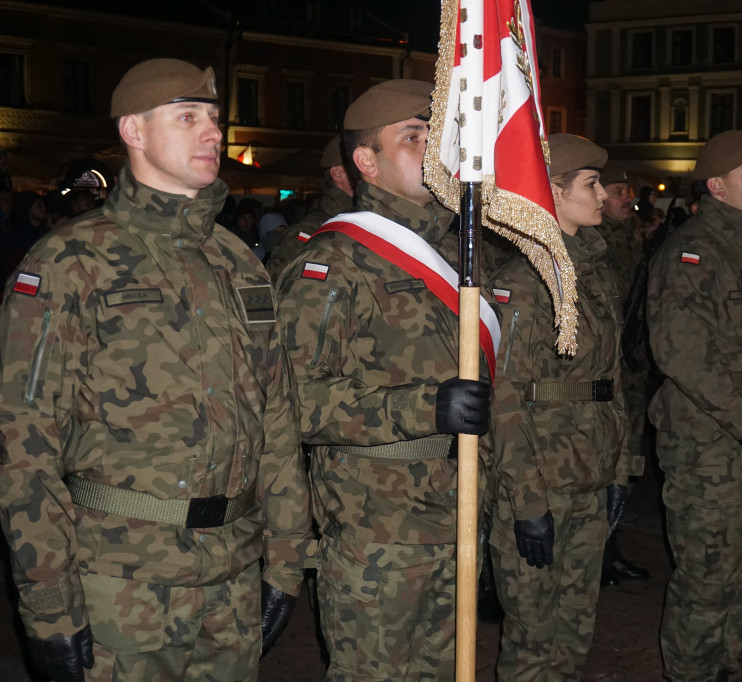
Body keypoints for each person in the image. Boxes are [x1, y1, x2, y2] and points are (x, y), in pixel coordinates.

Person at [0, 57, 312, 682]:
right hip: (121, 585)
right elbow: (25, 443)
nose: (212, 133)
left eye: (215, 119)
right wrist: (49, 606)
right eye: (187, 116)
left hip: (232, 578)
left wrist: (284, 559)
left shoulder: (238, 262)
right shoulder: (70, 262)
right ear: (134, 132)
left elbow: (276, 417)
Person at [274, 79, 494, 680]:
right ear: (366, 161)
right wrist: (425, 407)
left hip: (458, 510)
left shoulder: (459, 255)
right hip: (380, 529)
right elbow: (294, 401)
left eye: (436, 135)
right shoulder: (336, 262)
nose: (434, 150)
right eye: (413, 136)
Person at [487, 133, 640, 680]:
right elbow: (503, 396)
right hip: (542, 481)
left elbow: (610, 380)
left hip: (590, 472)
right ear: (551, 191)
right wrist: (527, 503)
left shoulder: (592, 273)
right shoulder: (523, 284)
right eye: (591, 183)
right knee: (533, 635)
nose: (603, 194)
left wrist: (620, 468)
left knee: (577, 626)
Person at [647, 130, 742, 682]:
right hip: (709, 440)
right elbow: (681, 354)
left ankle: (721, 666)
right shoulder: (695, 250)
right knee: (707, 576)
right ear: (718, 186)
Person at [594, 169, 650, 587]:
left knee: (626, 458)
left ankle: (610, 545)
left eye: (627, 191)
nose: (627, 198)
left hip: (631, 368)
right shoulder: (600, 246)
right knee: (611, 458)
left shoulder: (630, 240)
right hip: (610, 369)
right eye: (618, 192)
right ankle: (602, 549)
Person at [265, 135, 354, 281]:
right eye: (357, 165)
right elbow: (276, 281)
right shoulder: (309, 230)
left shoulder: (373, 220)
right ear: (338, 173)